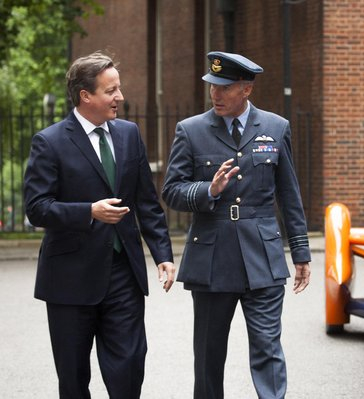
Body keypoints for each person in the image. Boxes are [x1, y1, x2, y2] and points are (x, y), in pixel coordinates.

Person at [23, 51, 176, 398]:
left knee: (129, 368)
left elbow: (147, 202)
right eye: (111, 91)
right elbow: (37, 208)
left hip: (123, 274)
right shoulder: (50, 142)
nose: (120, 97)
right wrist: (87, 211)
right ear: (85, 96)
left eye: (118, 89)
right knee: (74, 379)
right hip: (70, 279)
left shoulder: (129, 134)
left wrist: (162, 254)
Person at [162, 51, 311, 399]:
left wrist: (301, 252)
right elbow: (171, 191)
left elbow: (289, 195)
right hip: (212, 257)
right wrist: (207, 190)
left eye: (225, 88)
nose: (216, 94)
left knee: (268, 349)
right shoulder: (191, 130)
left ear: (245, 90)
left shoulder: (275, 128)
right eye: (212, 86)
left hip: (263, 254)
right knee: (209, 355)